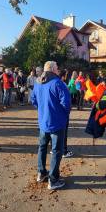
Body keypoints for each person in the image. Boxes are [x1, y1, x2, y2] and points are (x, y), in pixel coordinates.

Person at [31, 61, 71, 190]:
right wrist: (62, 116)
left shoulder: (37, 82)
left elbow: (33, 100)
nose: (58, 70)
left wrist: (43, 110)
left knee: (42, 148)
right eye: (57, 68)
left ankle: (41, 173)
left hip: (43, 122)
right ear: (53, 69)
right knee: (56, 151)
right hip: (56, 123)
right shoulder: (58, 83)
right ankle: (53, 180)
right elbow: (67, 104)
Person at [59, 69, 74, 158]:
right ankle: (64, 151)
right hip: (63, 113)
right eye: (66, 75)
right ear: (63, 76)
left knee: (55, 132)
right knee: (63, 132)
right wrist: (67, 111)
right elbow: (66, 102)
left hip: (55, 113)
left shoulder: (52, 83)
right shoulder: (63, 85)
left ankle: (55, 149)